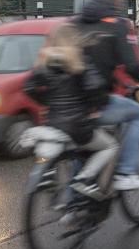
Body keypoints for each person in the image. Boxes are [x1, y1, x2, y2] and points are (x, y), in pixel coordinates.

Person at [73, 0, 139, 191]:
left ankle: (72, 202)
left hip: (68, 102)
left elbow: (95, 61)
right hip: (94, 101)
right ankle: (125, 172)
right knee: (136, 113)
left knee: (81, 144)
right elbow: (131, 65)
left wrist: (116, 79)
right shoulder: (115, 25)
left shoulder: (76, 22)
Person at [22, 24, 118, 197]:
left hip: (54, 123)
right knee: (110, 146)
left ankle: (51, 174)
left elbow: (28, 87)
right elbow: (95, 86)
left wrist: (47, 103)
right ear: (72, 40)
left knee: (63, 151)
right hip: (78, 126)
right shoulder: (78, 60)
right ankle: (85, 179)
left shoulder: (44, 62)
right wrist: (95, 106)